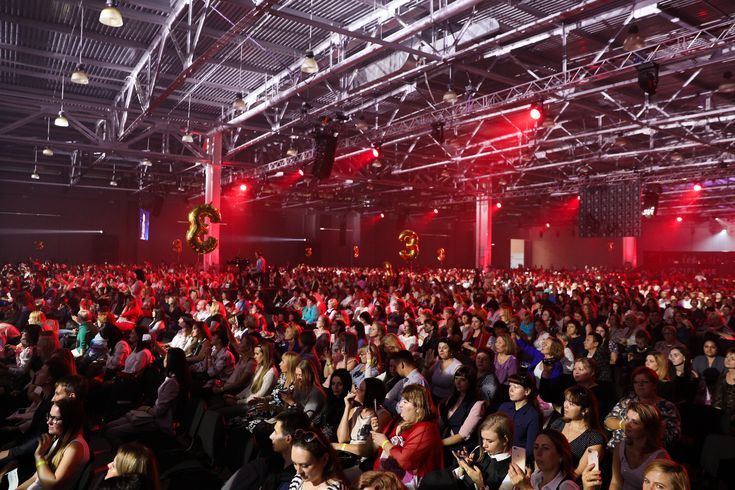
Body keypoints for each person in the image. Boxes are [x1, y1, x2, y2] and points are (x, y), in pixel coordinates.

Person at [105, 347, 190, 445]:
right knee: (109, 426)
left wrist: (145, 408)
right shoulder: (173, 379)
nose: (164, 359)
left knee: (111, 431)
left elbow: (159, 412)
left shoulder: (172, 383)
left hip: (158, 421)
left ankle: (124, 453)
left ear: (172, 362)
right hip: (153, 415)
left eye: (166, 358)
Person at [371, 384, 443, 488]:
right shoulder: (397, 422)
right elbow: (380, 451)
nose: (400, 405)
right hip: (384, 478)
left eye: (405, 402)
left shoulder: (426, 428)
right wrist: (377, 432)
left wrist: (385, 443)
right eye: (401, 401)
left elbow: (405, 460)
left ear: (418, 407)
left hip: (404, 484)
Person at [220, 409, 312, 490]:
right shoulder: (264, 463)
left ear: (288, 439)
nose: (271, 436)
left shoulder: (291, 482)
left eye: (276, 432)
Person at [17, 398, 90, 490]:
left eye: (56, 418)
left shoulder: (75, 447)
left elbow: (52, 485)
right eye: (49, 416)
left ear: (70, 421)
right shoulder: (59, 438)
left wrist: (39, 456)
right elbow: (35, 478)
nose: (49, 422)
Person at [604, 367, 681, 450]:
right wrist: (624, 424)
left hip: (648, 451)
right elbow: (607, 422)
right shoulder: (626, 401)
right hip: (615, 448)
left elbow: (674, 436)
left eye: (644, 382)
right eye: (636, 382)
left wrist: (645, 433)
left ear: (654, 384)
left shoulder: (667, 407)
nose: (639, 385)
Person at [610, 403, 670, 490]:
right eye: (627, 419)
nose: (627, 424)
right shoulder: (621, 447)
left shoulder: (660, 457)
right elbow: (615, 483)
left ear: (648, 428)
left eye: (635, 422)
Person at [549, 386, 605, 477]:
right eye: (566, 400)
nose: (565, 406)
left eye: (571, 404)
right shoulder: (558, 423)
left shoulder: (594, 438)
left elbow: (577, 473)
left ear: (585, 410)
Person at [454, 412, 514, 490]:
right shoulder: (479, 450)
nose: (484, 445)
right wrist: (463, 467)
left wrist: (480, 484)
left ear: (505, 440)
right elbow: (458, 480)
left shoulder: (511, 470)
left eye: (490, 441)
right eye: (483, 439)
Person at [438, 365, 485, 465]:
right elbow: (442, 422)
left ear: (470, 382)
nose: (458, 382)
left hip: (461, 449)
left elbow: (462, 435)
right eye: (456, 378)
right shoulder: (452, 397)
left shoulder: (477, 404)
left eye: (462, 380)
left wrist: (437, 443)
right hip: (445, 442)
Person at [507, 429, 579, 490]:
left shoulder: (567, 486)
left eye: (545, 448)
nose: (538, 453)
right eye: (536, 447)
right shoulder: (534, 478)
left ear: (560, 456)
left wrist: (526, 487)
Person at [498, 372, 541, 459]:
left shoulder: (533, 416)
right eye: (510, 386)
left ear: (527, 391)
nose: (511, 390)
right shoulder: (504, 407)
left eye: (516, 387)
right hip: (498, 453)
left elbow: (530, 450)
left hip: (516, 459)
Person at [383, 350, 428, 414]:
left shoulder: (416, 381)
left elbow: (403, 409)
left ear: (402, 365)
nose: (395, 369)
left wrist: (384, 401)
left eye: (396, 366)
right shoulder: (405, 380)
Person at [424, 338, 463, 404]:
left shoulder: (457, 366)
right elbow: (425, 379)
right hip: (432, 397)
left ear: (451, 350)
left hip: (447, 401)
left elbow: (460, 389)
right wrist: (426, 365)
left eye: (444, 348)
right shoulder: (437, 363)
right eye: (439, 348)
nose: (441, 350)